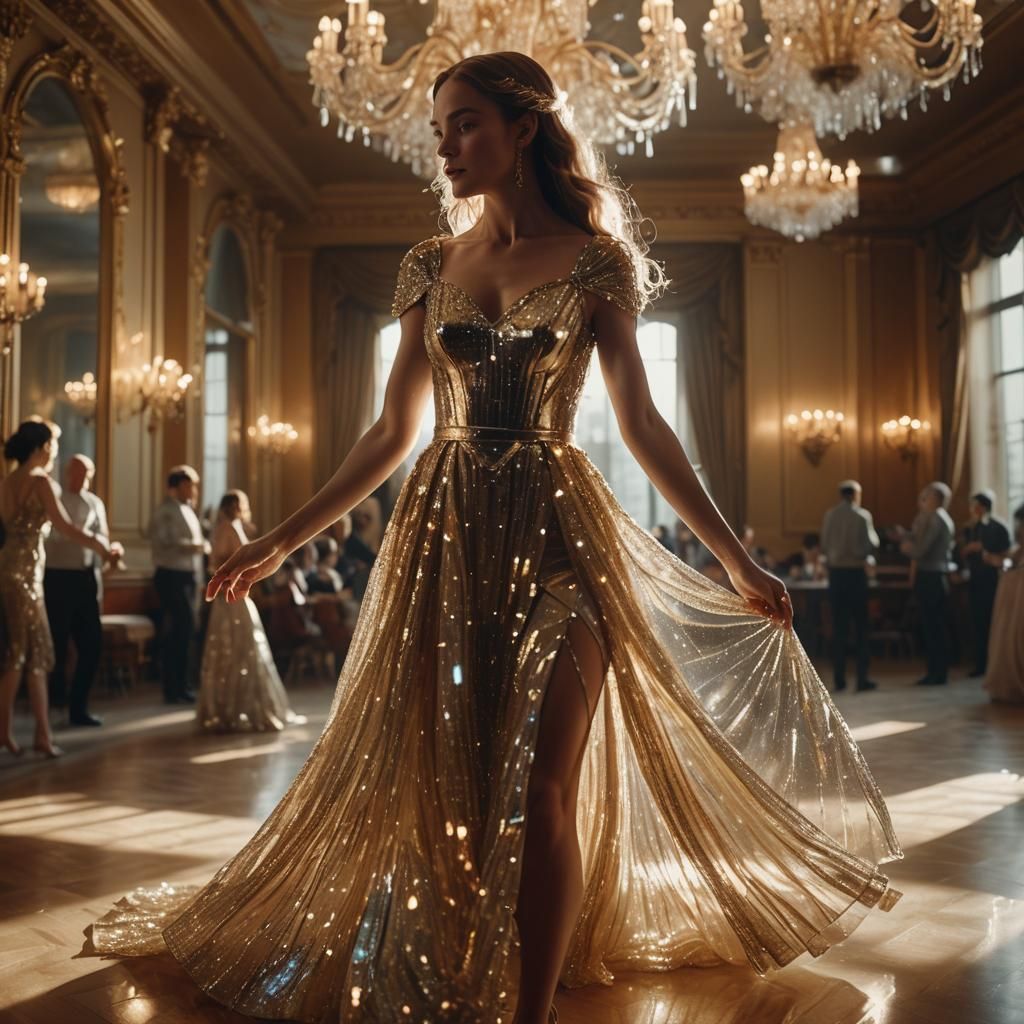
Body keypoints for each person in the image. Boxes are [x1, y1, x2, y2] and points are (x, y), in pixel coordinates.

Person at [92, 53, 902, 1024]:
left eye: (465, 123)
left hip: (563, 532)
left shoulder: (596, 260)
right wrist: (276, 540)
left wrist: (734, 554)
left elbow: (641, 422)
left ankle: (526, 1012)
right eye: (439, 128)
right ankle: (457, 938)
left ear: (522, 130)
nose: (445, 144)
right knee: (456, 777)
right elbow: (390, 432)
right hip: (442, 536)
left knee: (545, 780)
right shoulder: (427, 264)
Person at [0, 420, 120, 757]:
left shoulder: (8, 481)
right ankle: (37, 735)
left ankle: (17, 732)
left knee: (19, 654)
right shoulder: (41, 481)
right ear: (41, 448)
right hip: (27, 576)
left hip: (9, 569)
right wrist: (100, 546)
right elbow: (66, 527)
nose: (55, 449)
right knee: (32, 654)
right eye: (53, 443)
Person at [195, 490, 303, 732]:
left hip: (234, 596)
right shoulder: (229, 527)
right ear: (231, 507)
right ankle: (235, 709)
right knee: (238, 648)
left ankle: (233, 708)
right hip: (232, 596)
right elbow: (217, 563)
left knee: (243, 649)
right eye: (237, 505)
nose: (240, 509)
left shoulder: (228, 528)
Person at [43, 454, 113, 726]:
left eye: (85, 473)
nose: (79, 478)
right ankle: (49, 707)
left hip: (86, 579)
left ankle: (78, 707)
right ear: (66, 473)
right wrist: (88, 539)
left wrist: (109, 549)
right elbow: (57, 534)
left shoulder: (95, 503)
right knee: (57, 645)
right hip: (58, 577)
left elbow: (103, 537)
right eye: (75, 472)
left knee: (92, 645)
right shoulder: (55, 498)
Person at [150, 465, 209, 705]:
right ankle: (172, 687)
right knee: (177, 630)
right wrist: (196, 546)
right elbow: (163, 540)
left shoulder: (188, 510)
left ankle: (183, 685)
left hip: (186, 575)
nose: (195, 489)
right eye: (191, 484)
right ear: (179, 485)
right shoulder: (166, 510)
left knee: (185, 631)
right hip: (171, 574)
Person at [821, 481, 880, 693]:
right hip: (856, 575)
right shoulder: (863, 516)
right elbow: (872, 543)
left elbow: (825, 544)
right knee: (861, 628)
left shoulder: (830, 515)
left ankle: (839, 679)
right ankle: (862, 678)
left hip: (836, 575)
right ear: (856, 495)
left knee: (839, 628)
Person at [900, 481, 955, 686]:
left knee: (934, 627)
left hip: (931, 576)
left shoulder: (936, 518)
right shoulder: (938, 518)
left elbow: (921, 550)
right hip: (935, 575)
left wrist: (907, 548)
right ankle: (935, 672)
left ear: (936, 499)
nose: (924, 499)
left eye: (928, 496)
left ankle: (937, 673)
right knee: (932, 626)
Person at [959, 489, 1011, 678]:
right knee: (977, 623)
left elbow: (1007, 555)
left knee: (993, 622)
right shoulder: (970, 528)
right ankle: (980, 663)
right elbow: (962, 553)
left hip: (992, 581)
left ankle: (995, 665)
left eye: (975, 506)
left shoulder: (998, 527)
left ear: (982, 507)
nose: (973, 510)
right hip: (974, 580)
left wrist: (984, 549)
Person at [985, 502, 1024, 703]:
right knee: (1011, 637)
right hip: (1014, 595)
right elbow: (1013, 559)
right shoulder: (1019, 545)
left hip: (1018, 595)